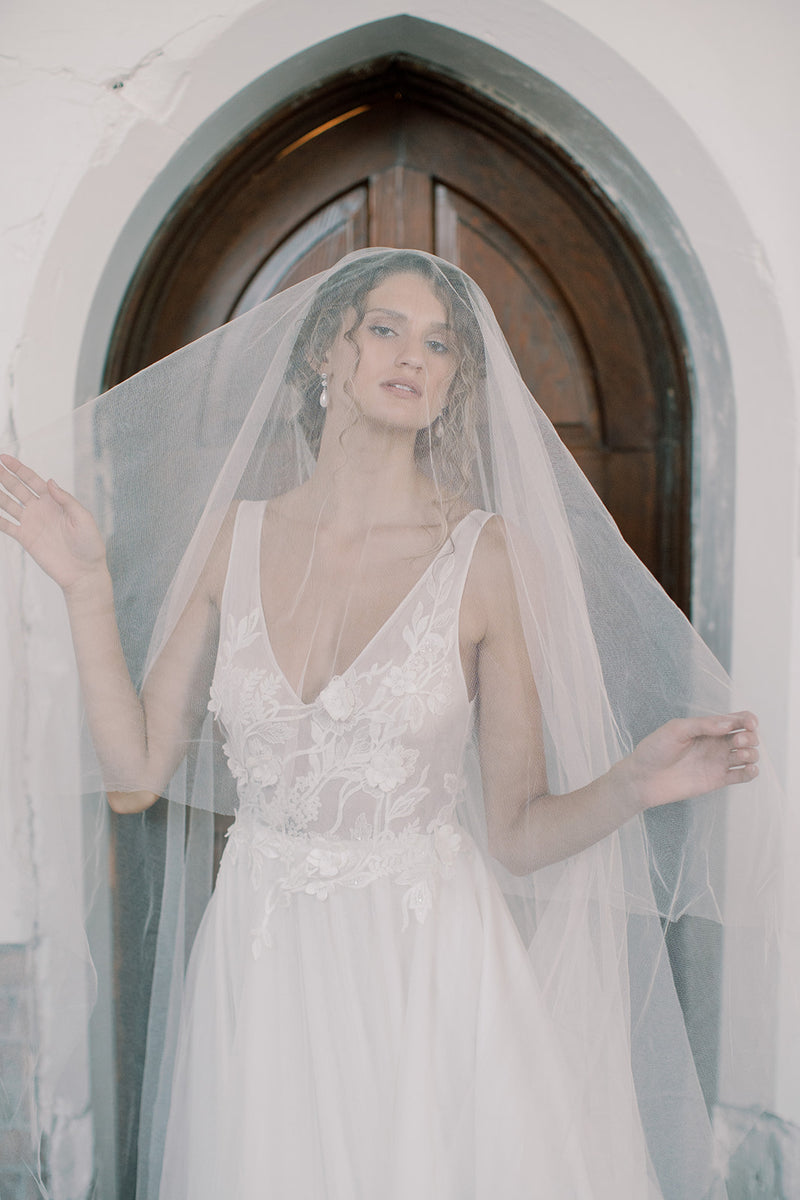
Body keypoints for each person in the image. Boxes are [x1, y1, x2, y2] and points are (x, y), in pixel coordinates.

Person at [0, 250, 770, 1198]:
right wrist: (84, 586)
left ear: (453, 384)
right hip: (265, 961)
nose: (415, 354)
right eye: (386, 328)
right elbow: (134, 778)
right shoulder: (231, 539)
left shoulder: (487, 557)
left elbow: (521, 834)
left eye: (441, 342)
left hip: (429, 973)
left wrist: (637, 782)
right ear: (330, 350)